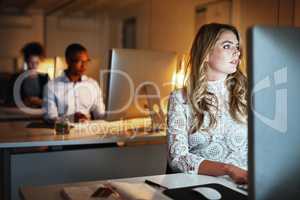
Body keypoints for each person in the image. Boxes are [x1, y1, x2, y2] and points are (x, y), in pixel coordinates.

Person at [167, 23, 248, 184]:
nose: (236, 52)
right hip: (200, 186)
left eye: (237, 47)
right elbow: (178, 158)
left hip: (246, 186)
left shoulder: (247, 94)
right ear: (206, 53)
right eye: (227, 46)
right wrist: (228, 169)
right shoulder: (180, 98)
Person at [43, 43, 105, 123]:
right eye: (80, 62)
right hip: (64, 132)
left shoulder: (93, 84)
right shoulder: (51, 86)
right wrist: (71, 118)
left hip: (89, 131)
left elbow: (100, 115)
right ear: (68, 61)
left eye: (86, 61)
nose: (84, 66)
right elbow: (50, 117)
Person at [20, 42, 49, 108]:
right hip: (21, 113)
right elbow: (9, 101)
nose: (34, 66)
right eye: (31, 62)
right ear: (26, 61)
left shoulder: (44, 78)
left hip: (39, 113)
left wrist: (39, 101)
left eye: (36, 62)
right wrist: (24, 101)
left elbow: (51, 101)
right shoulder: (16, 78)